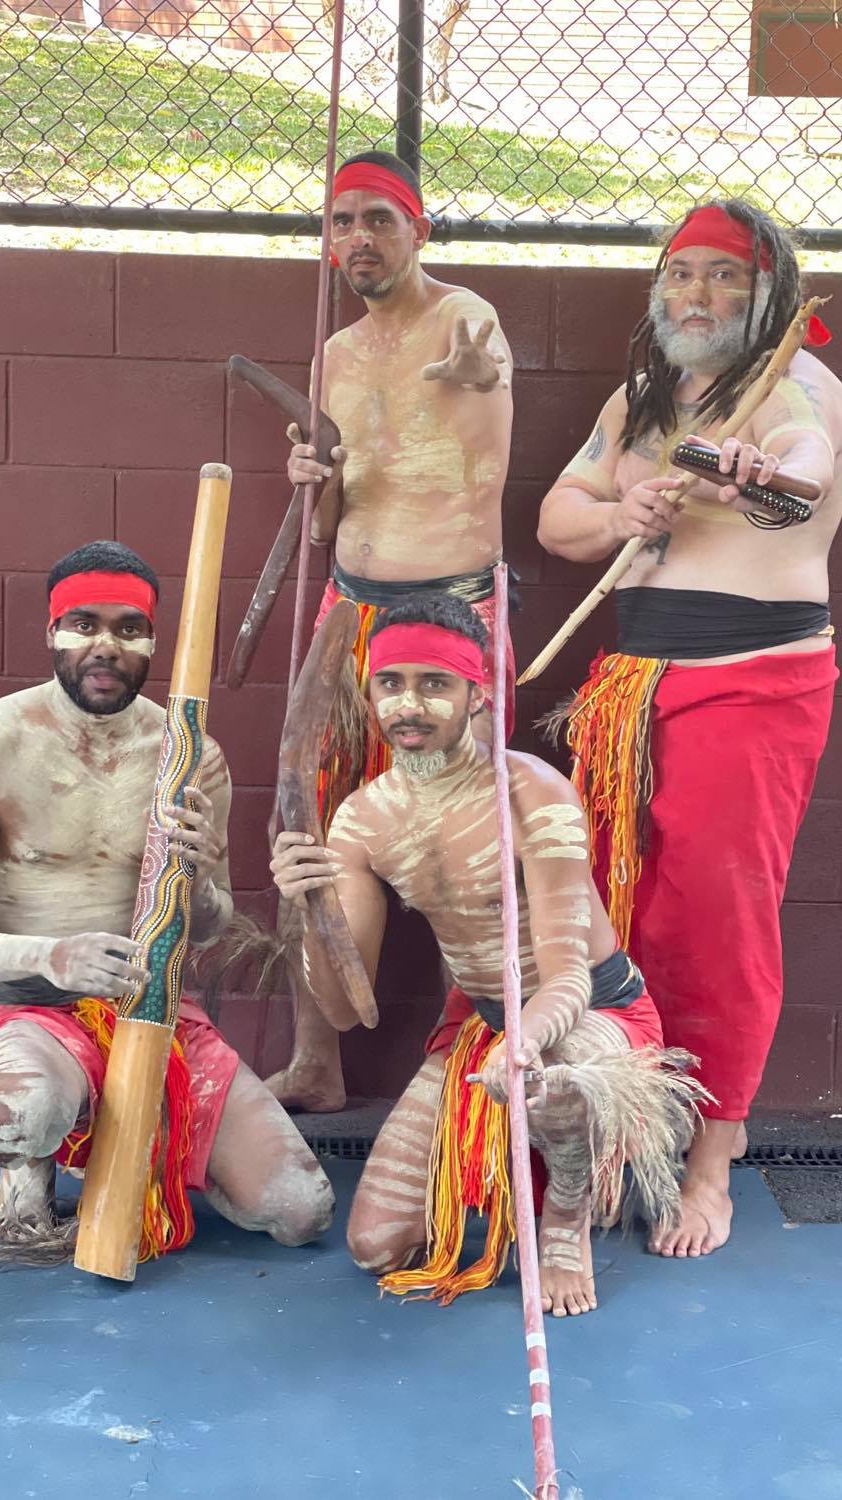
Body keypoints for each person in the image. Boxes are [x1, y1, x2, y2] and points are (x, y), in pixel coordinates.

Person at [536, 198, 842, 1258]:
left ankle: (715, 1161)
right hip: (632, 688)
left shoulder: (796, 389)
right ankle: (634, 1128)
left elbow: (801, 475)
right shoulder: (646, 398)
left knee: (719, 919)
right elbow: (558, 516)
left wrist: (757, 476)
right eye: (683, 274)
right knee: (614, 910)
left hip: (754, 684)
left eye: (726, 278)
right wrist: (621, 514)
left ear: (769, 294)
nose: (700, 296)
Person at [271, 595, 704, 1316]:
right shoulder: (361, 821)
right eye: (391, 683)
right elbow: (348, 1012)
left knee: (555, 1083)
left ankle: (566, 1209)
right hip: (487, 1025)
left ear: (477, 693)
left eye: (434, 683)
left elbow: (567, 974)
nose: (409, 704)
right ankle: (559, 1150)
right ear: (369, 690)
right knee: (375, 1245)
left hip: (593, 1014)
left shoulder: (532, 792)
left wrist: (525, 1044)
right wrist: (309, 911)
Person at [0, 540, 333, 1258]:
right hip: (30, 1009)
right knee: (15, 1118)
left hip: (152, 1011)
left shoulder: (190, 751)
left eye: (129, 629)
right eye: (83, 624)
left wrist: (195, 880)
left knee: (299, 1210)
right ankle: (31, 1168)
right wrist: (54, 956)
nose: (105, 645)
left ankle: (136, 1138)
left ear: (153, 641)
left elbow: (208, 927)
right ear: (52, 632)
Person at [268, 148, 517, 1113]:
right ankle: (316, 1060)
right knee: (312, 820)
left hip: (452, 610)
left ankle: (473, 1058)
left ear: (420, 229)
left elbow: (481, 394)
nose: (358, 237)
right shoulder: (333, 356)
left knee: (468, 833)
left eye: (379, 218)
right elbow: (330, 520)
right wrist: (313, 487)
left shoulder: (464, 319)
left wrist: (472, 374)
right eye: (341, 222)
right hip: (348, 606)